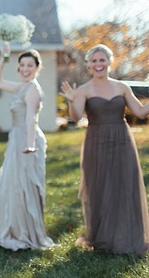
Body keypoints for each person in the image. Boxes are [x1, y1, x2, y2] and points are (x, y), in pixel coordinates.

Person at [61, 44, 149, 254]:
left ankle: (126, 236)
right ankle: (103, 237)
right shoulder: (83, 90)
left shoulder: (121, 87)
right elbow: (76, 117)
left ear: (110, 62)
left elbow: (141, 112)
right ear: (89, 65)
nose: (98, 64)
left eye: (102, 60)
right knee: (99, 186)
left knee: (125, 184)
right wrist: (72, 101)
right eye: (94, 61)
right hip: (96, 142)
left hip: (122, 140)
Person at [0, 44, 54, 251]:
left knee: (26, 186)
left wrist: (30, 145)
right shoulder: (20, 87)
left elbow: (29, 119)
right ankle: (15, 230)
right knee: (13, 185)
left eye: (30, 65)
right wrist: (5, 58)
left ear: (37, 67)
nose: (25, 69)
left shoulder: (33, 89)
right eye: (22, 65)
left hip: (27, 139)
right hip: (16, 138)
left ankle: (27, 232)